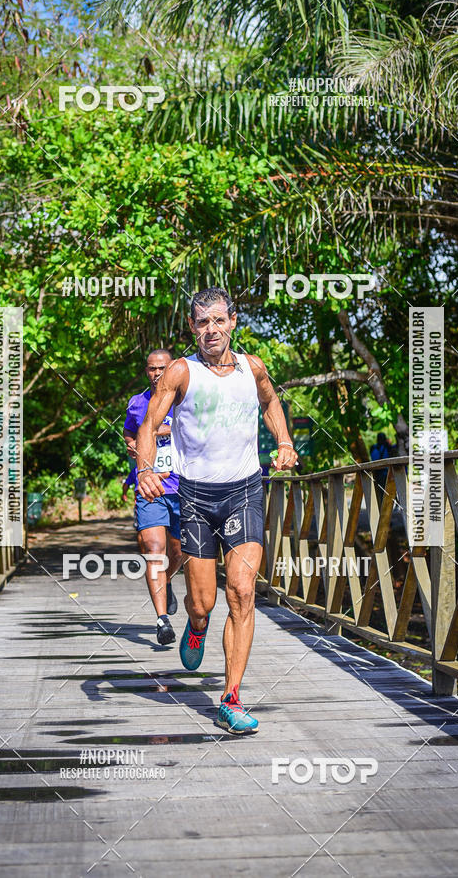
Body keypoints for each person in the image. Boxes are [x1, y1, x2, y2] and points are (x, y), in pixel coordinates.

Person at [135, 288, 298, 734]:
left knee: (242, 591)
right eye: (202, 322)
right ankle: (196, 624)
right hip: (195, 498)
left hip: (244, 490)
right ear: (193, 327)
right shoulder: (181, 373)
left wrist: (283, 440)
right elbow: (149, 425)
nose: (211, 330)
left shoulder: (253, 368)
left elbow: (269, 402)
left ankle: (230, 698)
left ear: (233, 322)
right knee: (204, 603)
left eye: (219, 321)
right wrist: (146, 468)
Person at [123, 350, 183, 646]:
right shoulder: (137, 403)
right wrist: (137, 447)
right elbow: (129, 435)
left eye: (163, 368)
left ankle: (168, 579)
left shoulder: (185, 399)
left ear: (171, 368)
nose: (157, 373)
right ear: (146, 371)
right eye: (152, 369)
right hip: (149, 488)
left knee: (178, 553)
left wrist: (163, 430)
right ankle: (163, 621)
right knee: (154, 549)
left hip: (184, 487)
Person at [370, 432, 393, 502]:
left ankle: (382, 506)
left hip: (377, 472)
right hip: (386, 472)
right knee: (388, 489)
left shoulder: (373, 447)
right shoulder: (387, 447)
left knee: (381, 490)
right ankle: (387, 506)